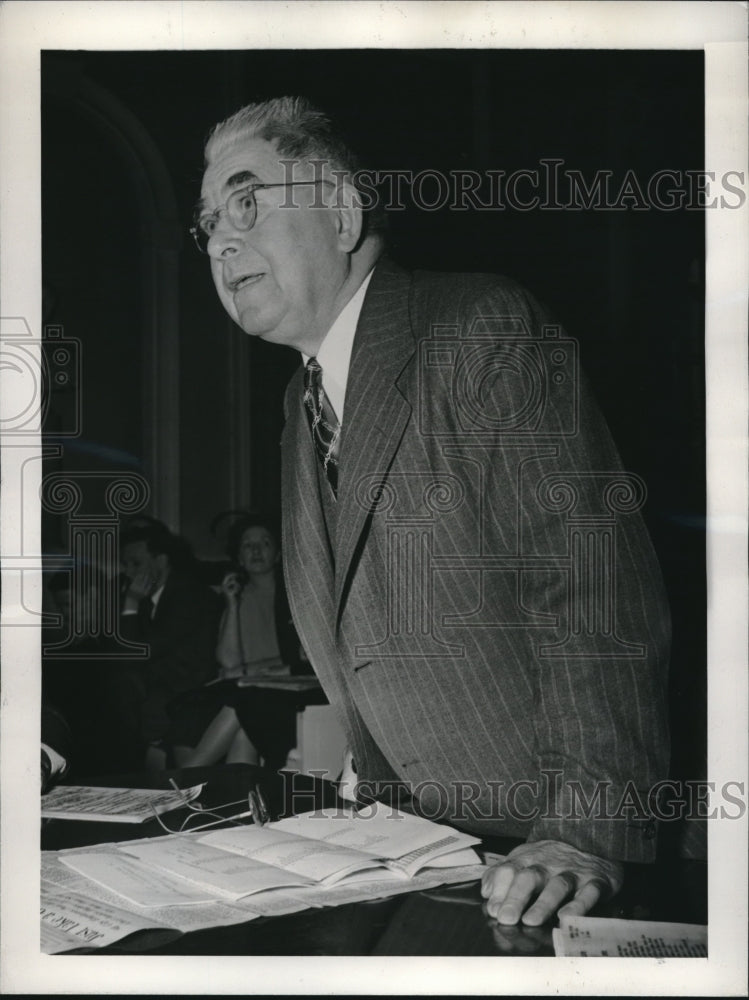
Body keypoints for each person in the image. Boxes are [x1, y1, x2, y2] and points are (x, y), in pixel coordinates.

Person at [194, 96, 670, 926]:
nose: (223, 240)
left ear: (340, 211)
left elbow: (594, 592)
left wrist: (581, 832)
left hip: (544, 856)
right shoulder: (297, 400)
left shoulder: (477, 326)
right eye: (207, 226)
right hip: (432, 852)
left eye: (246, 203)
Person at [174, 513, 319, 771]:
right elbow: (229, 661)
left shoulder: (296, 596)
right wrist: (231, 604)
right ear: (238, 557)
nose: (255, 550)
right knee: (231, 724)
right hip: (249, 691)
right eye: (247, 544)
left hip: (288, 692)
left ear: (277, 554)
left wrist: (251, 671)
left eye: (264, 543)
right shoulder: (238, 595)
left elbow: (303, 657)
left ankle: (185, 780)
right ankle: (231, 799)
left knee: (239, 706)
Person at [114, 524, 221, 769]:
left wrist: (130, 601)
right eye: (125, 564)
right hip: (163, 686)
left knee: (128, 700)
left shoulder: (187, 595)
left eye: (136, 564)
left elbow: (136, 652)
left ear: (161, 561)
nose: (128, 573)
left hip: (192, 686)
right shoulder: (151, 595)